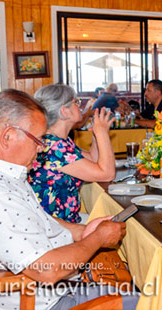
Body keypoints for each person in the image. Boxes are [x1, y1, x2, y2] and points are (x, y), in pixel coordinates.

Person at [0, 89, 137, 310]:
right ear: (7, 137)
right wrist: (97, 239)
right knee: (158, 301)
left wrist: (80, 232)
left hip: (51, 286)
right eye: (38, 139)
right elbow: (46, 271)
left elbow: (37, 218)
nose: (42, 147)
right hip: (45, 300)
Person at [28, 84, 116, 224]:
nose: (80, 106)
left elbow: (93, 160)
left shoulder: (58, 140)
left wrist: (95, 134)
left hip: (64, 218)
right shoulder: (54, 147)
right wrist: (103, 133)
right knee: (119, 223)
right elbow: (107, 175)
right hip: (55, 226)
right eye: (76, 102)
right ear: (64, 111)